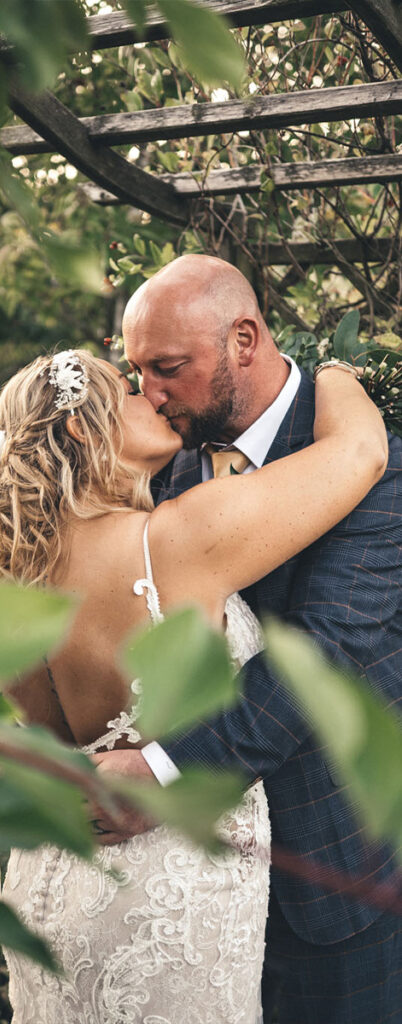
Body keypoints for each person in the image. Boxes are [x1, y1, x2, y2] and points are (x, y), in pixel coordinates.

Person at [0, 341, 386, 1024]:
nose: (154, 393)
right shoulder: (176, 540)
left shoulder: (1, 590)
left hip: (56, 889)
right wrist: (339, 372)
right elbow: (360, 455)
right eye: (130, 387)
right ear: (82, 426)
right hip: (170, 914)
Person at [91, 254, 402, 1024]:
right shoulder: (163, 469)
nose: (149, 395)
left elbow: (323, 659)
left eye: (167, 368)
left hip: (331, 869)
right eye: (136, 372)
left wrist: (161, 774)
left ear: (244, 339)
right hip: (195, 895)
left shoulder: (373, 469)